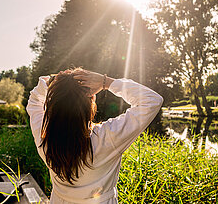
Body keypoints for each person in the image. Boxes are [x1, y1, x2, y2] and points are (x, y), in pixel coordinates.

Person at [27, 68, 163, 203]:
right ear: (91, 100)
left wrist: (53, 80)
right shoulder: (107, 137)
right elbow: (151, 100)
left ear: (53, 103)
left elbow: (34, 100)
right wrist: (106, 82)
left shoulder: (45, 136)